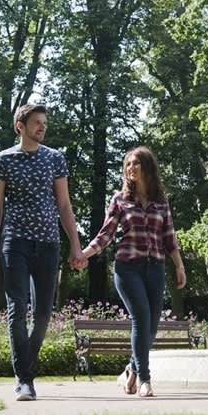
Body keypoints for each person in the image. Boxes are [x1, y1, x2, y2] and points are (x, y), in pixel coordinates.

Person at [0, 103, 87, 401]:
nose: (42, 127)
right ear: (20, 126)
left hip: (49, 244)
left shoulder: (54, 159)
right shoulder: (3, 160)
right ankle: (24, 379)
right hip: (15, 243)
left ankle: (26, 365)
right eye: (37, 123)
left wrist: (75, 246)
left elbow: (64, 206)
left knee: (42, 315)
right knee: (17, 311)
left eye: (44, 123)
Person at [82, 146, 186, 398]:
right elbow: (106, 233)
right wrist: (84, 254)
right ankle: (145, 380)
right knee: (141, 319)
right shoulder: (119, 199)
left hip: (156, 268)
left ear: (147, 167)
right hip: (127, 267)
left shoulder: (161, 201)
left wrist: (179, 265)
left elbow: (169, 236)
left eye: (135, 163)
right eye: (127, 164)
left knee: (151, 326)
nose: (130, 168)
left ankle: (131, 368)